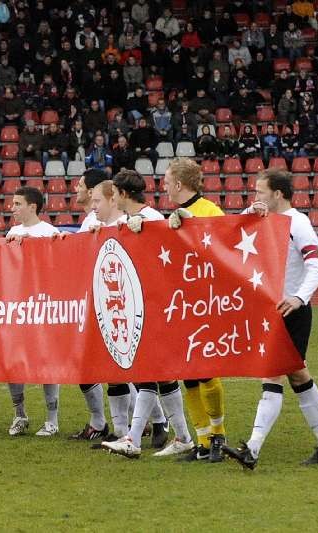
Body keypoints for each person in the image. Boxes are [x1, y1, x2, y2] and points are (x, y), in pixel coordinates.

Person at [222, 169, 318, 469]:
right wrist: (252, 209)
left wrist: (299, 298)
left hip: (292, 312)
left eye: (261, 192)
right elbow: (234, 225)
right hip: (273, 311)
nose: (256, 197)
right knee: (298, 375)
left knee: (271, 374)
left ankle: (252, 448)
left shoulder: (298, 223)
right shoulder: (265, 218)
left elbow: (316, 266)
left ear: (278, 194)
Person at [100, 170, 195, 458]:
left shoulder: (153, 220)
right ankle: (184, 437)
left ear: (124, 194)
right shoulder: (127, 222)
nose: (112, 197)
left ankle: (133, 440)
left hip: (156, 307)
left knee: (147, 375)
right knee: (161, 378)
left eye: (114, 193)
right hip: (143, 306)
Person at [162, 158, 229, 462]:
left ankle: (218, 435)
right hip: (180, 304)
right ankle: (202, 440)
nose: (163, 185)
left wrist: (193, 224)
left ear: (178, 183)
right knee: (187, 373)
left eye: (166, 180)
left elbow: (223, 250)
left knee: (206, 371)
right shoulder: (171, 215)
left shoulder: (210, 211)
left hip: (206, 303)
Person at [4, 186, 61, 437]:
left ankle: (52, 419)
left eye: (17, 204)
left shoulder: (49, 232)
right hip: (17, 306)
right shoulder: (13, 231)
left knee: (46, 363)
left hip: (41, 305)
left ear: (32, 207)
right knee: (14, 362)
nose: (12, 208)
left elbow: (55, 265)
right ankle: (20, 414)